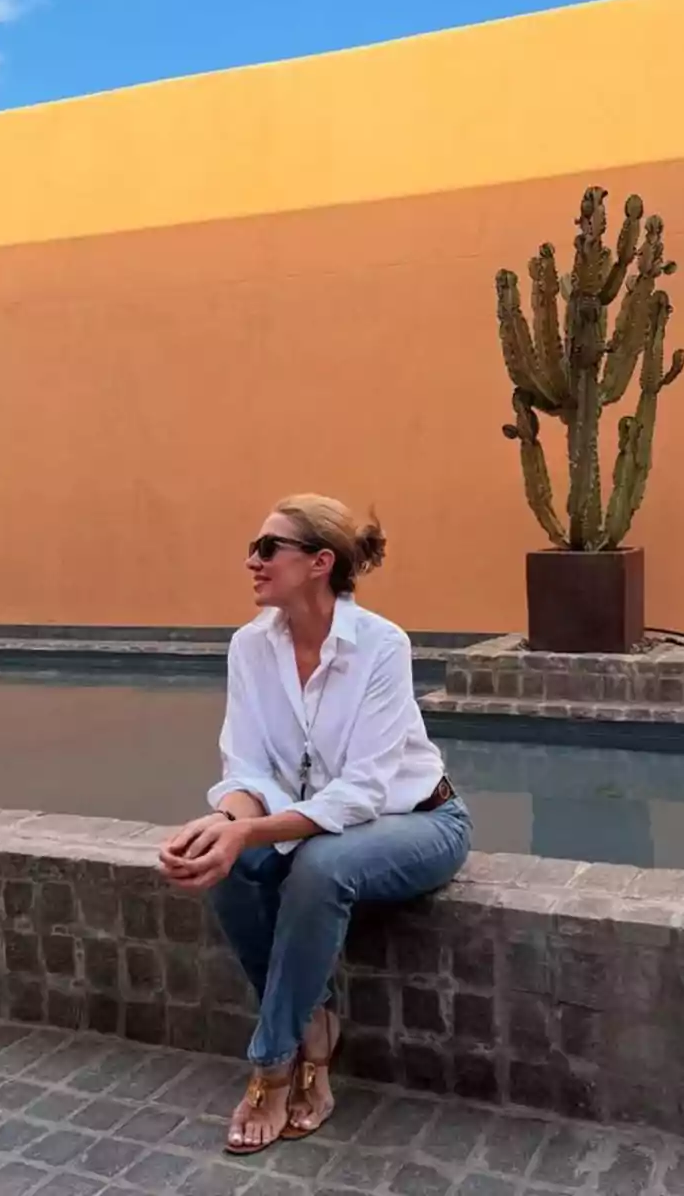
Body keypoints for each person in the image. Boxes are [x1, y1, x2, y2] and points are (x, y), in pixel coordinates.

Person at [158, 494, 472, 1156]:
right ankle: (316, 1025)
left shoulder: (382, 646)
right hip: (316, 826)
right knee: (232, 866)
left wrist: (251, 830)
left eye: (269, 548)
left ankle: (274, 1065)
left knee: (319, 868)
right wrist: (225, 825)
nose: (252, 560)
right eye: (253, 546)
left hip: (421, 821)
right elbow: (245, 768)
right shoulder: (250, 647)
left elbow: (363, 791)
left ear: (320, 563)